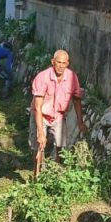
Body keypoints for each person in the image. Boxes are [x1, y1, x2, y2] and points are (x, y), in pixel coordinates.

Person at [30, 49, 87, 177]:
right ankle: (36, 177)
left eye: (64, 63)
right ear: (52, 62)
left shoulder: (72, 77)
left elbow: (77, 99)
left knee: (60, 145)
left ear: (68, 64)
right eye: (58, 62)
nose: (61, 66)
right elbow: (38, 107)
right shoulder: (43, 77)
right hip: (41, 114)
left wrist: (80, 122)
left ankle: (57, 172)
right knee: (39, 146)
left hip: (58, 115)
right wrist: (40, 133)